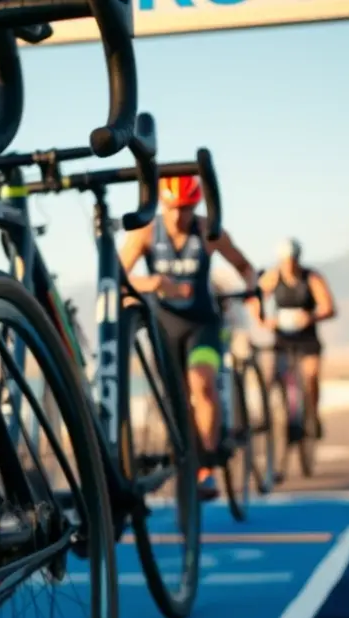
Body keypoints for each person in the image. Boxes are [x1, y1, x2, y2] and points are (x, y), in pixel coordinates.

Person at [118, 175, 261, 501]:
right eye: (171, 208)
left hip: (203, 325)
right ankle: (186, 456)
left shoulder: (209, 231)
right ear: (161, 205)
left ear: (195, 205)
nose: (178, 216)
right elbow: (117, 275)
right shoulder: (145, 233)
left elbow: (244, 266)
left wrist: (250, 291)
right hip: (164, 326)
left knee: (203, 385)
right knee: (178, 401)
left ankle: (206, 468)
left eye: (185, 209)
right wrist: (152, 283)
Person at [258, 237, 336, 440]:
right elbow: (254, 298)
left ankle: (313, 413)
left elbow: (329, 307)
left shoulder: (311, 278)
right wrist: (264, 320)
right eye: (285, 260)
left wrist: (311, 316)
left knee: (310, 376)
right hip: (282, 337)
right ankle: (276, 418)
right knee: (272, 377)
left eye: (292, 260)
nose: (289, 265)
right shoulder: (273, 277)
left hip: (307, 337)